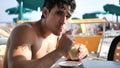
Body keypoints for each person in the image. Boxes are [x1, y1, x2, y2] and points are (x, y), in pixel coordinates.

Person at [3, 0, 88, 68]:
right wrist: (59, 51)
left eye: (67, 16)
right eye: (59, 13)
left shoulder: (56, 35)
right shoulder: (25, 31)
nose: (63, 21)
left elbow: (68, 56)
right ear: (45, 12)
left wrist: (79, 53)